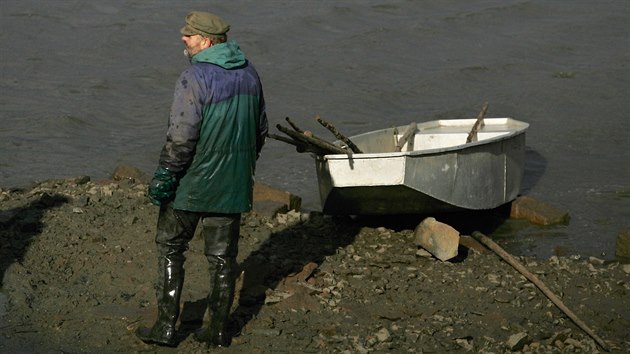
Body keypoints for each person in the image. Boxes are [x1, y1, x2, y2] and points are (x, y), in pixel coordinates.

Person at [135, 11, 268, 348]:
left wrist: (164, 177)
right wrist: (239, 169)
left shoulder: (193, 77)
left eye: (190, 35)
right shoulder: (250, 74)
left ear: (207, 42)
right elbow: (261, 131)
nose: (184, 39)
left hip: (192, 186)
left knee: (170, 248)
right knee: (223, 259)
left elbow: (181, 138)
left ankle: (166, 327)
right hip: (232, 187)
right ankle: (219, 329)